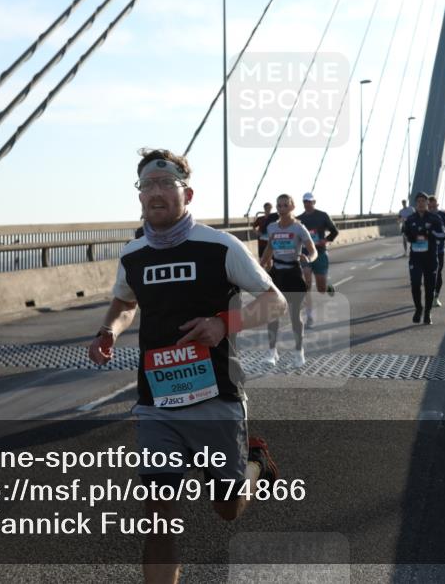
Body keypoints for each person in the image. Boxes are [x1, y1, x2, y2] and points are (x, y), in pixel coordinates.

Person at [87, 149, 287, 584]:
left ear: (187, 193)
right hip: (157, 402)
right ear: (139, 197)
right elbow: (125, 301)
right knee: (158, 517)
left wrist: (223, 323)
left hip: (217, 397)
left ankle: (255, 462)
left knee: (227, 509)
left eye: (165, 184)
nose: (155, 193)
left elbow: (276, 302)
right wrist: (110, 330)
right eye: (147, 186)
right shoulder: (133, 255)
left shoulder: (220, 247)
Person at [260, 194, 316, 368]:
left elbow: (313, 251)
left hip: (293, 273)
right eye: (279, 206)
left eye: (285, 205)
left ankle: (299, 352)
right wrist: (260, 266)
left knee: (294, 316)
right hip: (277, 274)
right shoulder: (271, 228)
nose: (281, 209)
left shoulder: (299, 228)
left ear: (292, 207)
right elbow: (270, 248)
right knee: (272, 314)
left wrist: (309, 258)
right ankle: (272, 352)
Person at [403, 192, 445, 325]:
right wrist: (410, 236)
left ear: (428, 203)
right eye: (419, 201)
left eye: (423, 201)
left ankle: (427, 313)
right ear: (416, 204)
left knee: (429, 287)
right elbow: (405, 233)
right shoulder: (410, 219)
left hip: (431, 257)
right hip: (416, 257)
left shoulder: (434, 218)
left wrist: (431, 233)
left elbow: (444, 234)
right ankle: (418, 309)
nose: (421, 203)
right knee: (415, 283)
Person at [297, 192, 339, 328]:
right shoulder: (299, 219)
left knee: (321, 288)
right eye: (305, 202)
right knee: (307, 284)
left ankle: (328, 287)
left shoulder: (322, 216)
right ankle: (310, 316)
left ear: (314, 202)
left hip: (320, 253)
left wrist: (325, 240)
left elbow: (334, 231)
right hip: (306, 254)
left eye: (309, 201)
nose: (307, 204)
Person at [429, 195, 445, 308]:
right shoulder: (424, 216)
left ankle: (436, 297)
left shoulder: (442, 215)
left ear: (437, 205)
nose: (432, 209)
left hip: (440, 250)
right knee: (428, 274)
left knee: (438, 273)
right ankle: (430, 294)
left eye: (434, 206)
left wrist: (444, 234)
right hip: (426, 250)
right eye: (430, 207)